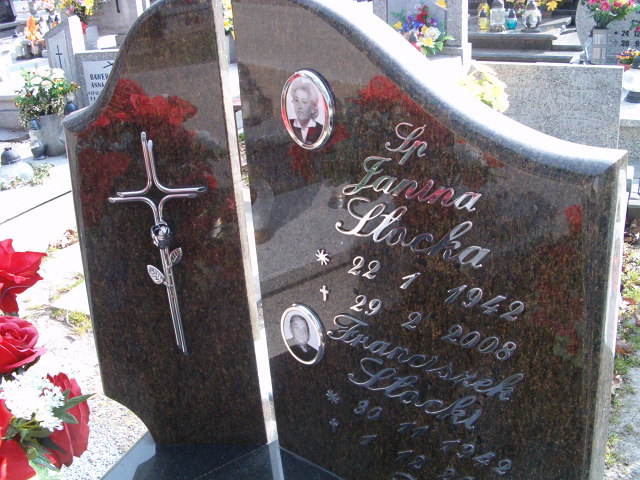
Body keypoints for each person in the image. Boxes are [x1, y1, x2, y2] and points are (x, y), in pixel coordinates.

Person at [288, 77, 323, 145]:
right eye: (296, 100)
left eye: (304, 102)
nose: (299, 106)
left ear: (313, 107)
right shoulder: (288, 125)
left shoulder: (321, 130)